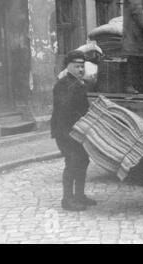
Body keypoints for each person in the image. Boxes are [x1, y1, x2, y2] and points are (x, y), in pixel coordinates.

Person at [51, 50, 97, 212]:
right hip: (66, 132)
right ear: (68, 66)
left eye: (82, 66)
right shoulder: (64, 85)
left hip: (76, 130)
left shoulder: (77, 83)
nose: (80, 70)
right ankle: (67, 199)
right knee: (72, 162)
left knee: (83, 160)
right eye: (77, 66)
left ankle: (79, 195)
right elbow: (65, 112)